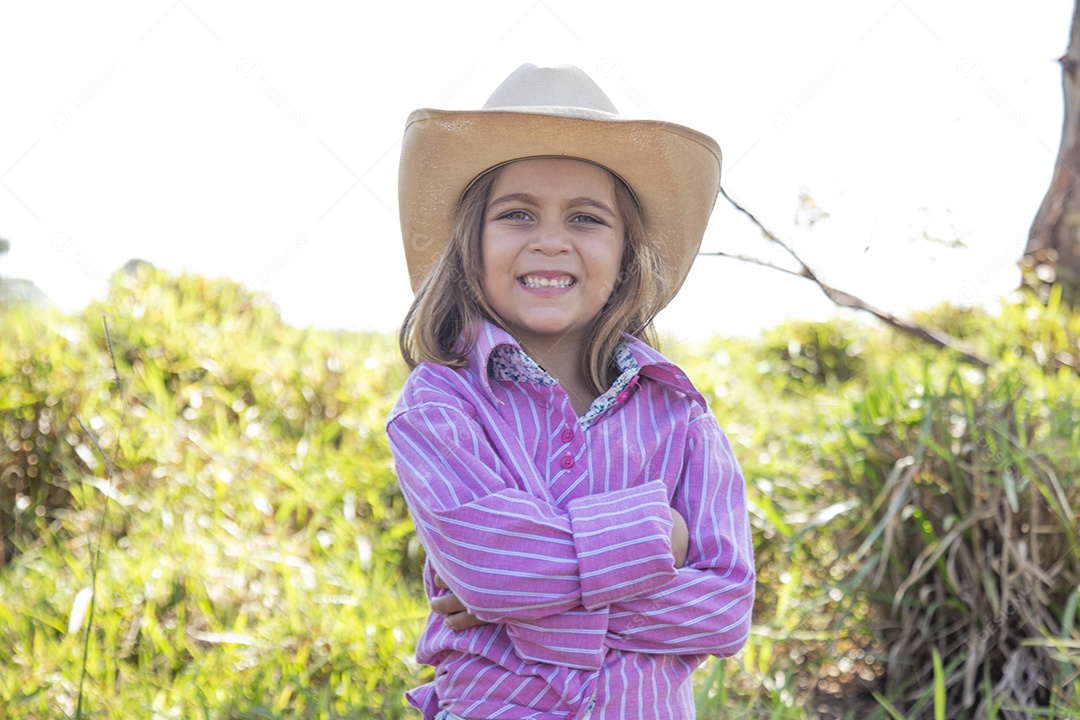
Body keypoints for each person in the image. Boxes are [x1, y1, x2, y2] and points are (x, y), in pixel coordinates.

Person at [386, 63, 755, 720]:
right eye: (518, 214)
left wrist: (523, 607)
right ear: (471, 245)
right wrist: (651, 538)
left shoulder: (681, 417)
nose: (550, 241)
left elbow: (723, 609)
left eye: (586, 219)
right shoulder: (440, 406)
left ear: (624, 257)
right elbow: (491, 568)